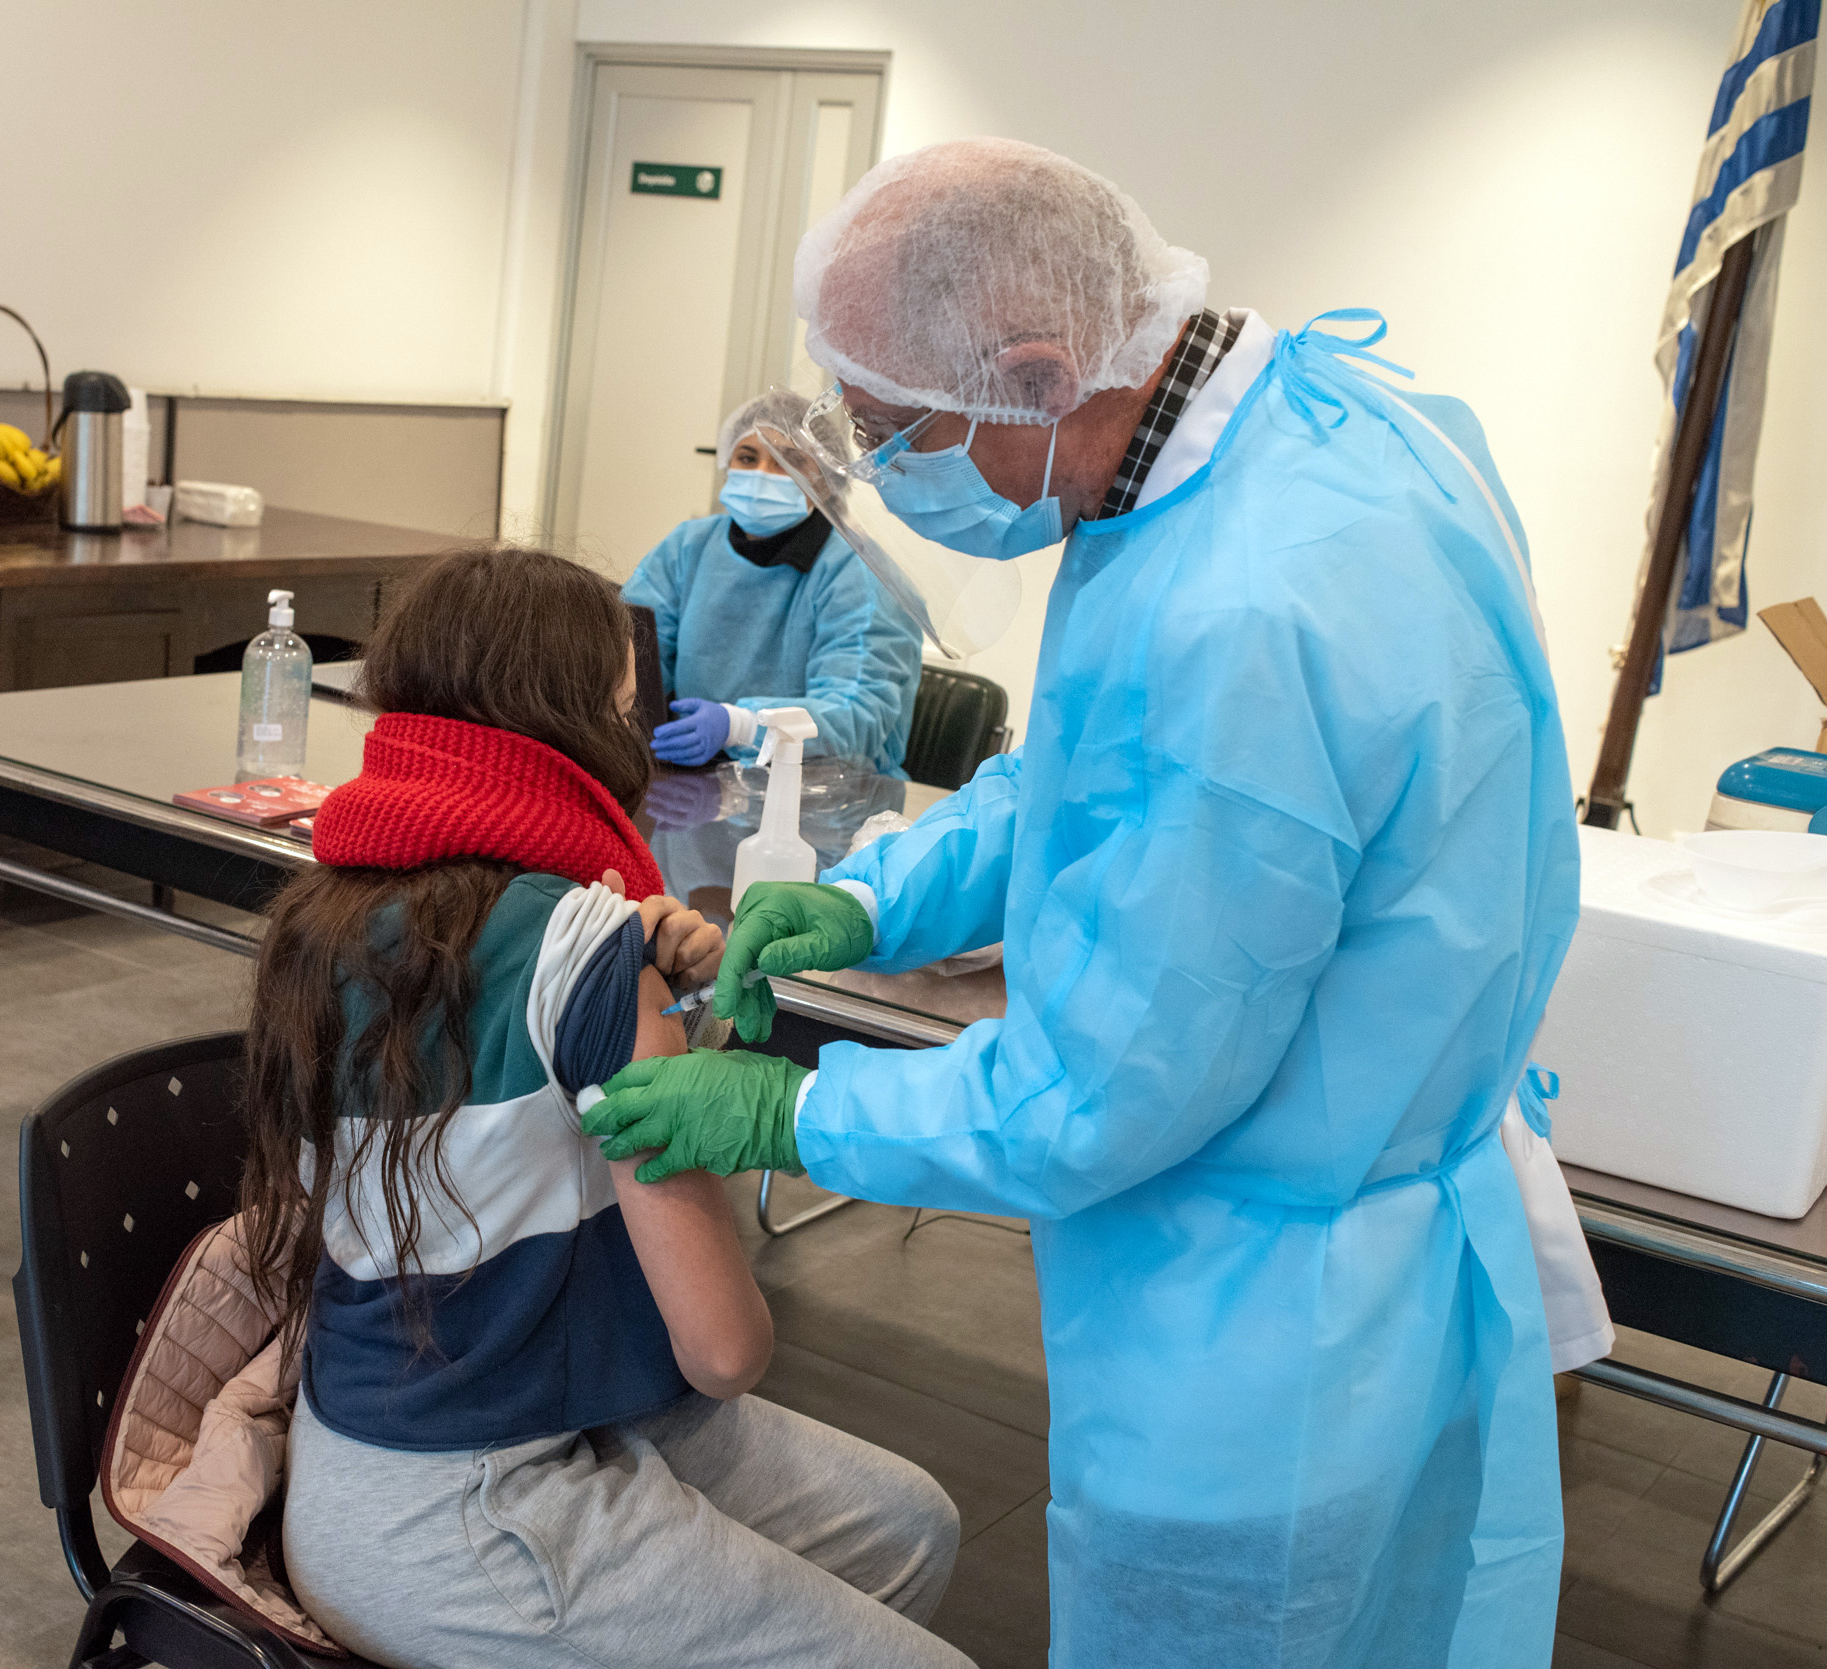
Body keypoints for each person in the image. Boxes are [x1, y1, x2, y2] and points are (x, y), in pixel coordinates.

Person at [583, 138, 1590, 1666]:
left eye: (894, 432)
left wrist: (799, 1109)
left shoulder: (1244, 615)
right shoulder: (1308, 431)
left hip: (1269, 1329)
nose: (884, 474)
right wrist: (876, 899)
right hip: (1371, 1247)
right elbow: (1088, 767)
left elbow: (1096, 1095)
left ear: (1042, 374)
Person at [241, 545, 973, 1669]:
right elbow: (725, 1350)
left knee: (908, 1523)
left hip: (369, 1446)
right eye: (629, 707)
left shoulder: (314, 915)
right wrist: (673, 1042)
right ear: (578, 727)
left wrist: (662, 1007)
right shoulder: (589, 944)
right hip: (470, 1502)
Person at [626, 389, 922, 777]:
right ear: (727, 463)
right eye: (748, 458)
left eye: (789, 461)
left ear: (825, 477)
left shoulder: (862, 573)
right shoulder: (689, 547)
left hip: (827, 789)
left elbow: (858, 715)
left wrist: (741, 726)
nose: (763, 474)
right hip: (696, 776)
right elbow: (630, 656)